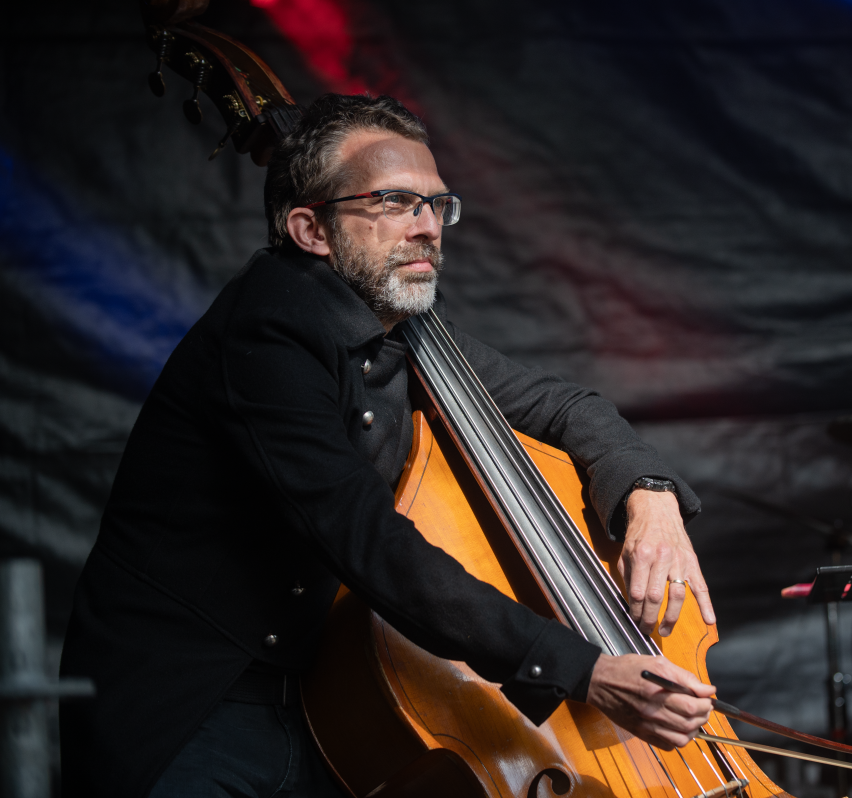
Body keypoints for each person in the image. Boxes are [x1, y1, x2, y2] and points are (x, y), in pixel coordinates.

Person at [59, 93, 718, 798]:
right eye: (396, 202)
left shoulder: (403, 331)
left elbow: (566, 406)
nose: (428, 226)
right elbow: (369, 541)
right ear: (311, 229)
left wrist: (649, 496)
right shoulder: (266, 334)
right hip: (194, 705)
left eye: (437, 205)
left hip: (322, 699)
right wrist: (583, 669)